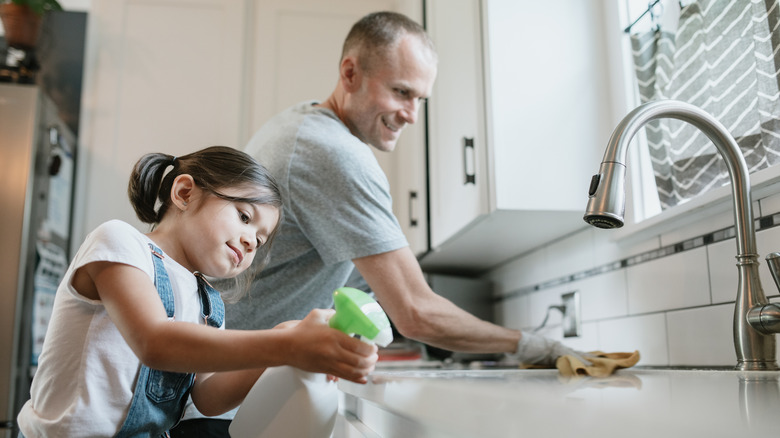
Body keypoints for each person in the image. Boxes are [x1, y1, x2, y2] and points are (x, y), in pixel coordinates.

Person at [177, 11, 587, 436]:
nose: (411, 114)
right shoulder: (334, 154)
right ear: (350, 73)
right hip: (217, 403)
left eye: (419, 99)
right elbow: (415, 312)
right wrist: (533, 345)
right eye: (401, 92)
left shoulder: (303, 125)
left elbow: (358, 289)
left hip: (217, 387)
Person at [16, 146, 378, 437]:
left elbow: (207, 397)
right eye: (245, 217)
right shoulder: (119, 242)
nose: (252, 241)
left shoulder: (208, 303)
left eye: (261, 239)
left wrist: (285, 338)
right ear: (185, 192)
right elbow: (155, 342)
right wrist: (287, 344)